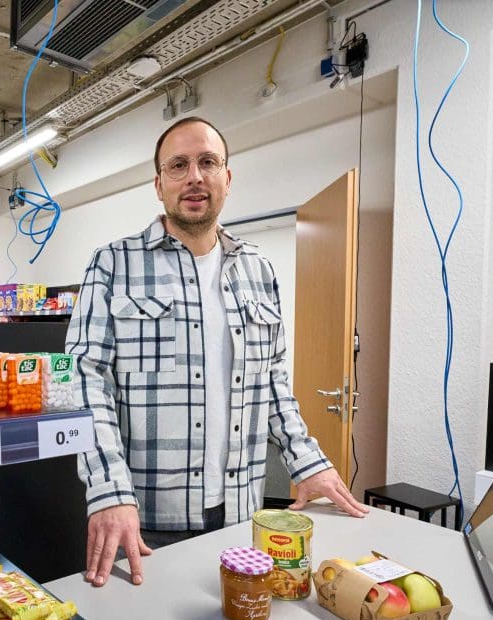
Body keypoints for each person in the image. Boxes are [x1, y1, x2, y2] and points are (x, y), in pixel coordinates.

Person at [66, 116, 369, 589]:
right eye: (178, 165)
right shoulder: (114, 264)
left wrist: (308, 464)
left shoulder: (258, 269)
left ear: (227, 178)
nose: (194, 177)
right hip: (144, 520)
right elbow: (85, 383)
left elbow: (272, 383)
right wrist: (108, 491)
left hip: (240, 513)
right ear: (158, 183)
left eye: (208, 162)